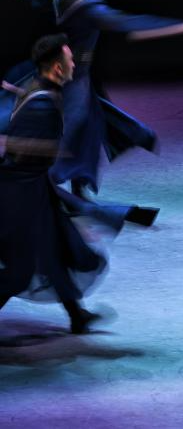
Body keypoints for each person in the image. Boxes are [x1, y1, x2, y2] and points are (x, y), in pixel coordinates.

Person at [9, 0, 183, 203]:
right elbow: (124, 22)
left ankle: (76, 183)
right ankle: (44, 188)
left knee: (86, 130)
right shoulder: (87, 7)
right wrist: (178, 26)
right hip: (72, 80)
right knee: (71, 132)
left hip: (71, 75)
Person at [0, 35, 109, 334]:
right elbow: (21, 149)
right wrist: (56, 151)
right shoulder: (42, 103)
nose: (74, 64)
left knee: (54, 250)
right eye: (70, 60)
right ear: (58, 68)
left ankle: (76, 315)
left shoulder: (41, 89)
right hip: (22, 195)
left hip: (35, 188)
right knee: (20, 272)